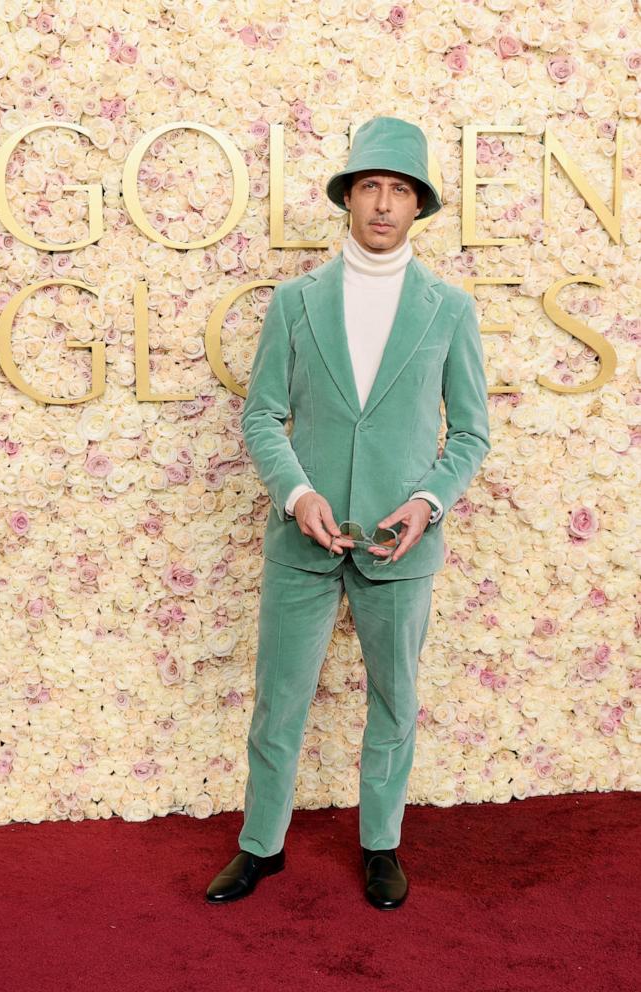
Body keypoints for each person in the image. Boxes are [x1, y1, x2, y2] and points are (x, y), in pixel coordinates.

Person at [206, 116, 491, 909]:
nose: (382, 203)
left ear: (418, 206)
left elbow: (470, 431)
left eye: (399, 190)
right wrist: (297, 495)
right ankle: (259, 846)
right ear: (347, 198)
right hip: (300, 542)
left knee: (394, 698)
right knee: (279, 699)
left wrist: (427, 501)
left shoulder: (448, 309)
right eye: (370, 186)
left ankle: (380, 846)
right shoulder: (297, 302)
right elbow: (261, 415)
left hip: (401, 548)